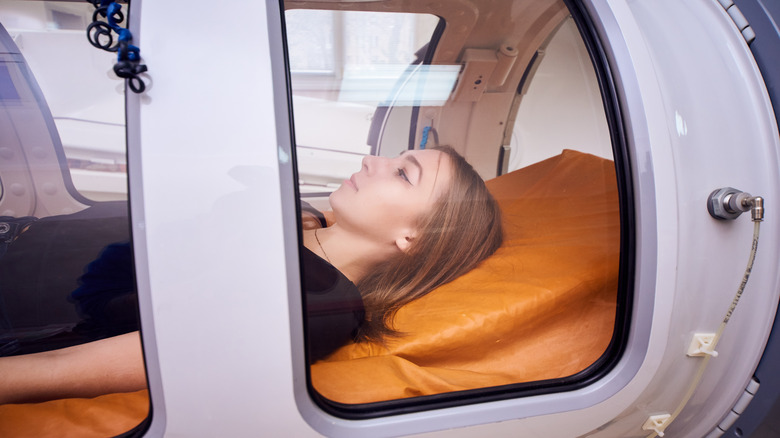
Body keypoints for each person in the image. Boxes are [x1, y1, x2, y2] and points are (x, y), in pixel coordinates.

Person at [0, 145, 502, 404]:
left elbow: (71, 366)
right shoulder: (302, 218)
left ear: (412, 238)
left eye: (402, 172)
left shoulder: (316, 305)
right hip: (20, 239)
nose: (373, 159)